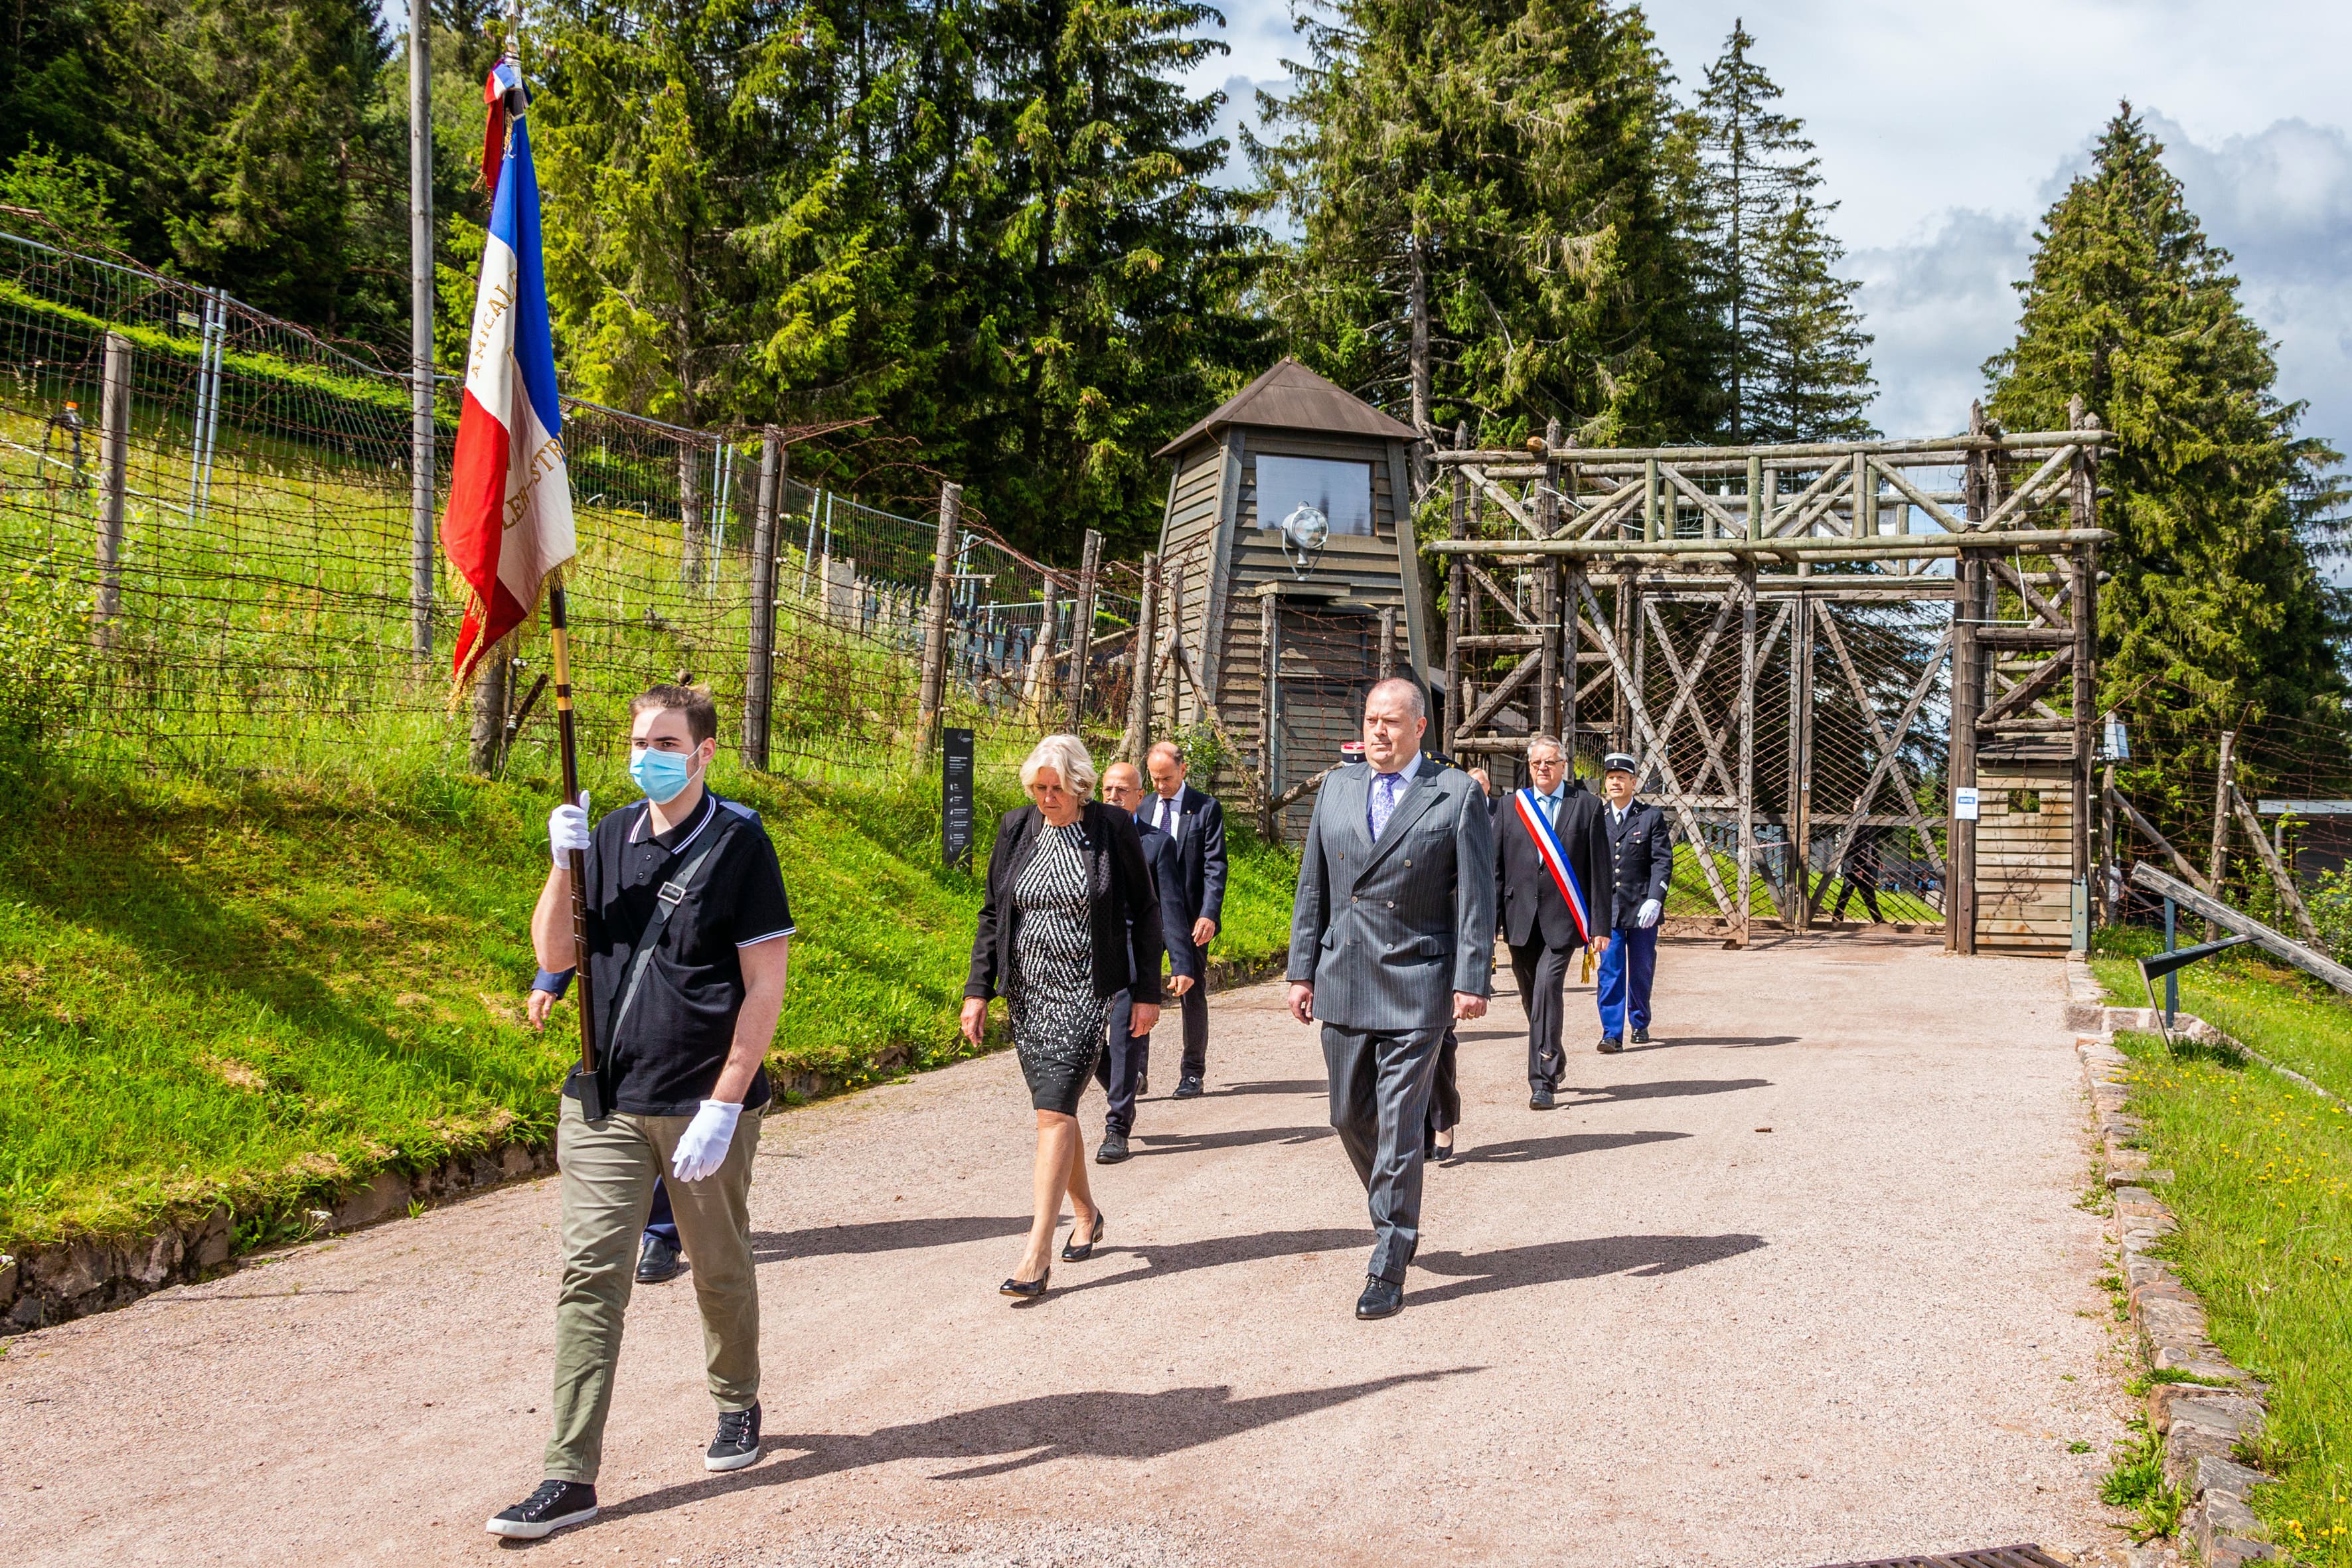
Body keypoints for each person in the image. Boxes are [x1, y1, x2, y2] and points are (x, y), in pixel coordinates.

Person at [491, 684, 795, 1541]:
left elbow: (764, 988)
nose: (644, 753)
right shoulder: (608, 836)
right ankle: (567, 1473)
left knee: (716, 1265)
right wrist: (562, 863)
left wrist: (725, 1104)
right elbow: (555, 952)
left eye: (664, 740)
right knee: (590, 1278)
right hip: (607, 1099)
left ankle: (737, 1400)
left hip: (701, 1100)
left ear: (702, 753)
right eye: (635, 739)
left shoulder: (740, 842)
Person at [1287, 678, 1495, 1321]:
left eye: (1392, 722)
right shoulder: (1338, 787)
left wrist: (1471, 977)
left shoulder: (1455, 794)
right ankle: (1391, 1208)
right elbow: (1313, 886)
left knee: (1403, 1125)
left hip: (1417, 982)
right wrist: (1302, 969)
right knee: (1348, 1116)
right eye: (1372, 719)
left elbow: (1477, 899)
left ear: (1419, 728)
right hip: (1344, 976)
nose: (1379, 731)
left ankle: (1390, 1252)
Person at [961, 735, 1164, 1298]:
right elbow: (992, 912)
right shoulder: (1015, 827)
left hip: (1083, 989)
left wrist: (1147, 992)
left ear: (1078, 785)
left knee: (1052, 1112)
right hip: (1027, 990)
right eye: (1038, 789)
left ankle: (1036, 1251)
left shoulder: (1111, 829)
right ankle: (1088, 1213)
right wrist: (978, 990)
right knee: (1059, 1111)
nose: (1047, 798)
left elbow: (1146, 912)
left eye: (1057, 789)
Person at [1494, 736, 1612, 1108]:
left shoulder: (1587, 807)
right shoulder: (1511, 806)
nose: (1542, 768)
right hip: (1520, 920)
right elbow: (1496, 869)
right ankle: (1555, 1055)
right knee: (1533, 999)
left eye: (1550, 762)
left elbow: (1600, 870)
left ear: (1564, 766)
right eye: (1535, 764)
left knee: (1547, 988)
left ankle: (1541, 1081)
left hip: (1563, 920)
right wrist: (1490, 924)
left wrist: (1601, 926)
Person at [1094, 761, 1201, 1163]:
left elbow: (1169, 908)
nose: (1113, 797)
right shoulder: (1084, 839)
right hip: (1086, 955)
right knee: (1090, 1046)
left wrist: (1182, 963)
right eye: (1107, 790)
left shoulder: (1157, 844)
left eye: (1122, 791)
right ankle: (1122, 1079)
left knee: (1125, 1037)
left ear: (1141, 797)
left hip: (1132, 955)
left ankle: (1117, 1127)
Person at [1142, 740, 1228, 1097]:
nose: (1160, 786)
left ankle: (1193, 1072)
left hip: (1190, 917)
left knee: (1192, 993)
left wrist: (1209, 913)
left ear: (1183, 770)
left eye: (1166, 778)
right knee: (1141, 992)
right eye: (1154, 778)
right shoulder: (1144, 807)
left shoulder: (1205, 809)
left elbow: (1215, 866)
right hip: (1149, 915)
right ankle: (1136, 1072)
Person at [1595, 752, 1672, 1053]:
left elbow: (1661, 862)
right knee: (1610, 970)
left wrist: (1655, 899)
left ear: (1633, 782)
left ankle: (1640, 1022)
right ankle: (1611, 1033)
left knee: (1641, 968)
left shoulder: (1650, 816)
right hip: (1609, 909)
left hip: (1642, 909)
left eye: (1621, 778)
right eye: (1611, 778)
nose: (1615, 782)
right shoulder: (1596, 817)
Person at [1831, 825, 1887, 924]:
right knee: (1847, 894)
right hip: (1854, 867)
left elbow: (1870, 847)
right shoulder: (1855, 827)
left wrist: (1877, 860)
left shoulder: (1869, 827)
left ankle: (1837, 919)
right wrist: (1856, 868)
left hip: (1863, 867)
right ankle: (1836, 920)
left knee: (1867, 895)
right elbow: (1852, 849)